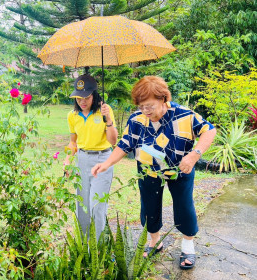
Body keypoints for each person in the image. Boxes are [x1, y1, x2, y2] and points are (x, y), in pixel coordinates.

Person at [91, 76, 216, 269]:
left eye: (149, 106)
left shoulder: (184, 114)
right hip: (148, 171)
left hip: (180, 169)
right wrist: (106, 164)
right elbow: (125, 144)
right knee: (149, 206)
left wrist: (194, 156)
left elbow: (209, 131)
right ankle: (155, 242)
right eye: (141, 106)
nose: (145, 111)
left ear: (163, 99)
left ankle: (188, 245)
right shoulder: (136, 119)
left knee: (184, 206)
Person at [64, 74, 118, 241]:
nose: (82, 102)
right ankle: (85, 247)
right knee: (83, 206)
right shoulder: (72, 116)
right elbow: (73, 142)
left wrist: (107, 119)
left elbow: (113, 141)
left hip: (102, 160)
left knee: (97, 206)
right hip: (82, 160)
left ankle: (99, 248)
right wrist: (67, 161)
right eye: (79, 98)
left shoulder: (104, 112)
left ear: (94, 95)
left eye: (86, 97)